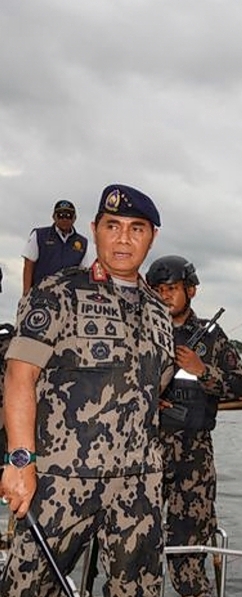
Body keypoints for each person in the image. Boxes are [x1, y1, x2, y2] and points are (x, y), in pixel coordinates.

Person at [0, 184, 174, 597]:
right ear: (94, 230)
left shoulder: (158, 310)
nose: (123, 238)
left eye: (136, 228)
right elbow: (19, 376)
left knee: (137, 591)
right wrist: (20, 460)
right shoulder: (59, 292)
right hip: (62, 481)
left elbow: (156, 386)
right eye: (113, 226)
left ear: (152, 237)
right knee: (29, 589)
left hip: (140, 485)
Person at [146, 254, 242, 597]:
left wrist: (202, 369)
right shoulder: (139, 331)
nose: (165, 296)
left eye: (172, 288)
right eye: (158, 289)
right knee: (137, 547)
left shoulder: (212, 336)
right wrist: (147, 398)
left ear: (190, 290)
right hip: (145, 454)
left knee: (189, 553)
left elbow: (238, 385)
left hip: (194, 456)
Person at [21, 199, 93, 294]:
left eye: (69, 216)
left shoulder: (82, 242)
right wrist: (26, 293)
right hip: (40, 293)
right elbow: (29, 264)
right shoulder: (39, 235)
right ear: (54, 217)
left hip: (68, 296)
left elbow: (83, 271)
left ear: (75, 218)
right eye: (60, 215)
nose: (64, 219)